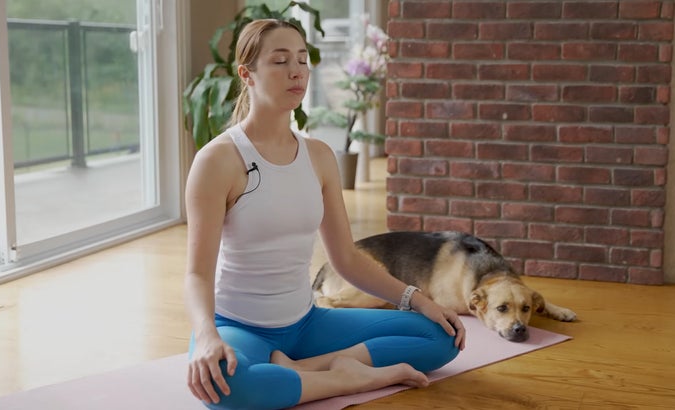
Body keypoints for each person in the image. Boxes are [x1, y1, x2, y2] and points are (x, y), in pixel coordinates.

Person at [184, 19, 466, 410]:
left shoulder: (318, 156)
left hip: (306, 325)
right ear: (247, 74)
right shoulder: (217, 160)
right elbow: (197, 273)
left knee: (440, 335)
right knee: (226, 387)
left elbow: (346, 258)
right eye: (280, 61)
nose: (297, 71)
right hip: (238, 326)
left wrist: (417, 299)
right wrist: (207, 335)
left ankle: (304, 369)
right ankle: (346, 378)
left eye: (302, 59)